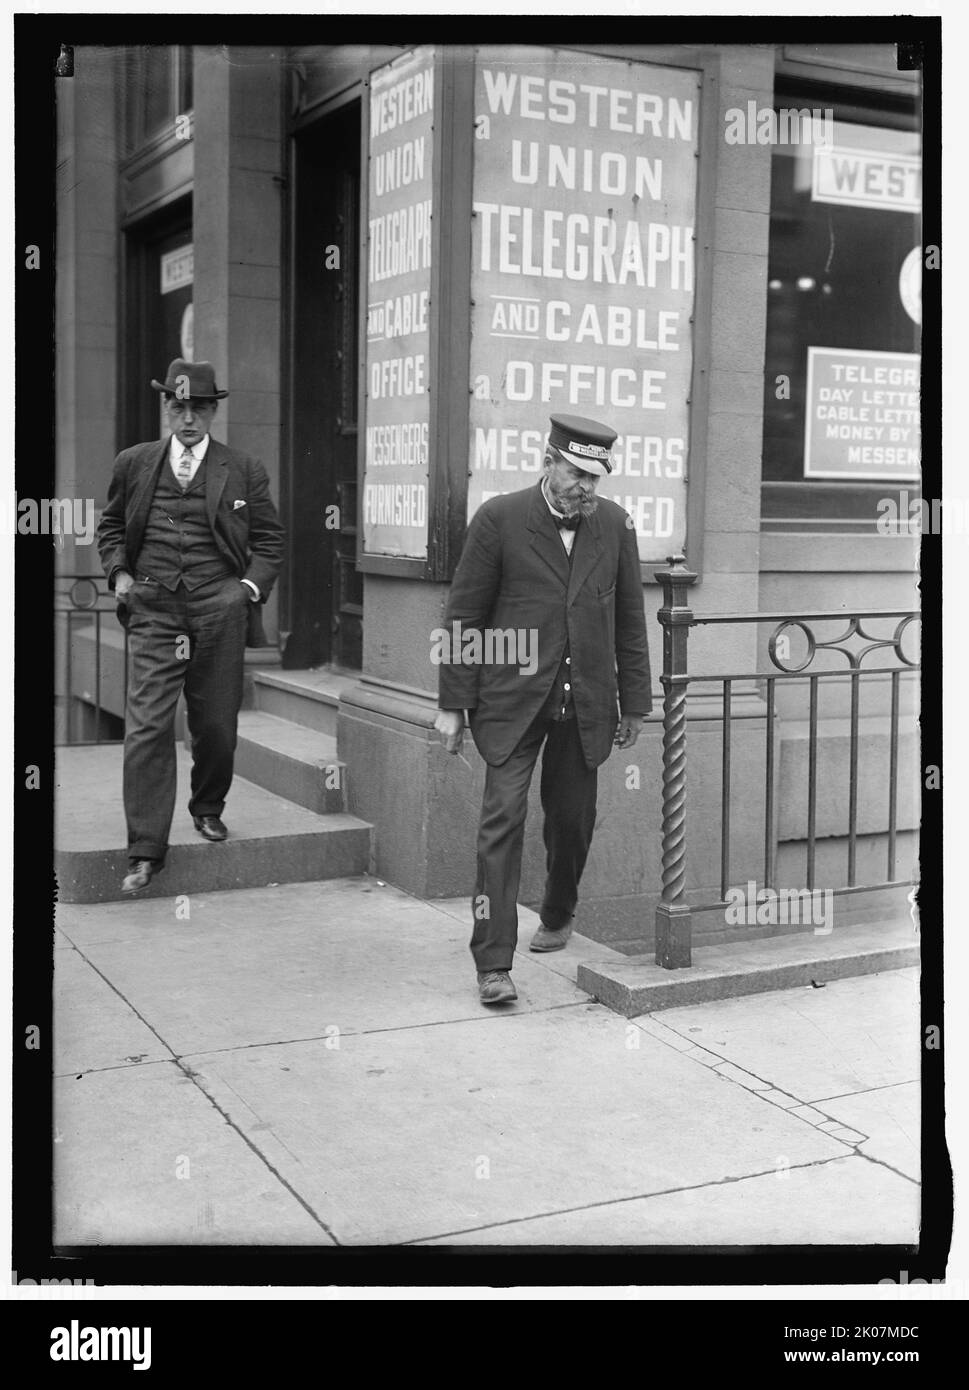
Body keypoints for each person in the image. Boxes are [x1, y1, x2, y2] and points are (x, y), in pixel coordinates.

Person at [435, 414, 652, 1005]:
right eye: (577, 473)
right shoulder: (500, 519)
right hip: (510, 704)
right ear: (548, 460)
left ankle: (558, 912)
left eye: (596, 477)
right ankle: (493, 963)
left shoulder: (613, 525)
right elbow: (464, 616)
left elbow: (629, 619)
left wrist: (634, 702)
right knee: (500, 824)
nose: (586, 487)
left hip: (583, 706)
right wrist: (454, 704)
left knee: (572, 820)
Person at [96, 358, 285, 895]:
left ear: (212, 412)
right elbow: (111, 526)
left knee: (217, 725)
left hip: (218, 609)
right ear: (166, 408)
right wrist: (120, 574)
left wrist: (244, 591)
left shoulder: (243, 470)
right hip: (154, 607)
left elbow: (270, 541)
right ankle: (146, 849)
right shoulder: (135, 463)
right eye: (178, 407)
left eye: (198, 409)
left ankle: (207, 806)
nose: (188, 419)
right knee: (149, 725)